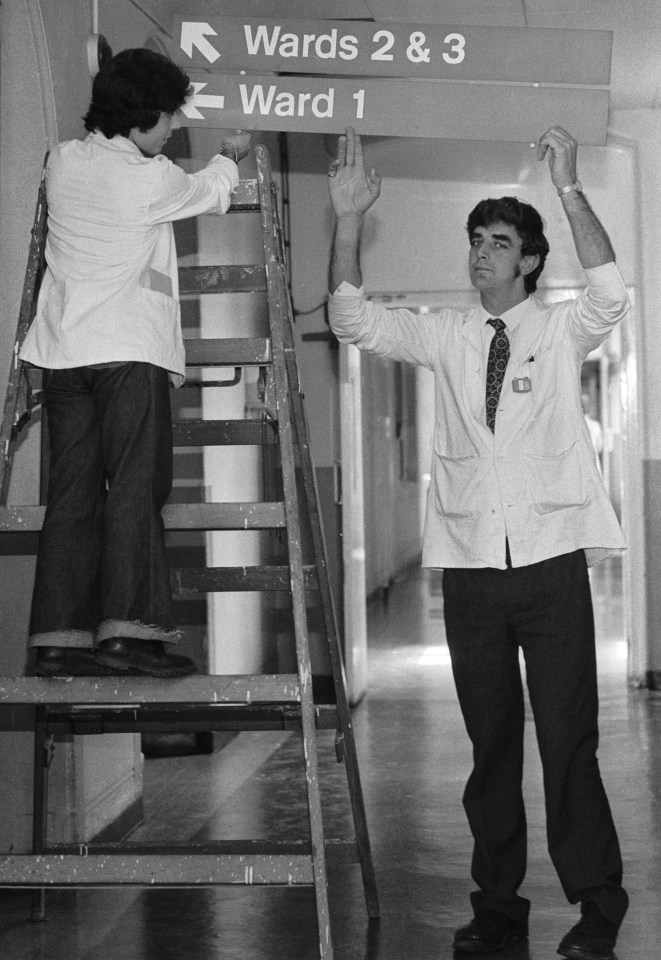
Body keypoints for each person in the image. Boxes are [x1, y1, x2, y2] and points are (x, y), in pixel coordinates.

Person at [326, 126, 629, 960]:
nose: (481, 255)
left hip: (550, 561)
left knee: (567, 739)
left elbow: (610, 291)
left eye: (499, 244)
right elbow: (349, 317)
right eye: (475, 242)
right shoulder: (446, 336)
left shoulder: (561, 330)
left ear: (530, 262)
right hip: (470, 574)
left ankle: (598, 903)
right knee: (490, 742)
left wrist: (567, 188)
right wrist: (347, 221)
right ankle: (496, 903)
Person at [20, 48, 251, 678]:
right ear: (143, 116)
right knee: (133, 492)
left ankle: (56, 641)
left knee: (71, 496)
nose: (174, 128)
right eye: (169, 116)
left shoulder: (63, 162)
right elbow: (211, 191)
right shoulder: (149, 180)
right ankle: (129, 634)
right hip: (128, 355)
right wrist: (232, 154)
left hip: (65, 357)